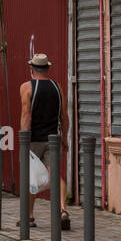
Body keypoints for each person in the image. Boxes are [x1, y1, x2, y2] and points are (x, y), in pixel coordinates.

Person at [19, 53, 69, 229]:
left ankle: (30, 217)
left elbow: (26, 116)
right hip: (53, 139)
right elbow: (64, 116)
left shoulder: (26, 87)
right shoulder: (58, 87)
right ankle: (63, 210)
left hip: (33, 140)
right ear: (47, 68)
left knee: (32, 178)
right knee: (55, 175)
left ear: (32, 69)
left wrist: (24, 140)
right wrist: (64, 138)